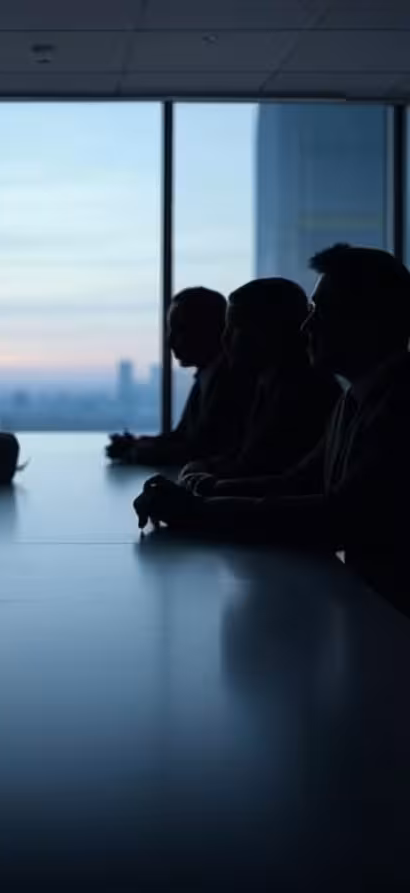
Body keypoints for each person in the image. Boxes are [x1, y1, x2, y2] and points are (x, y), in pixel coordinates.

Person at [133, 244, 410, 616]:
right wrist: (209, 495)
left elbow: (340, 517)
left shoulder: (399, 404)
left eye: (322, 312)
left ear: (372, 320)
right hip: (372, 614)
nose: (307, 326)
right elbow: (301, 480)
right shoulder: (355, 399)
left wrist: (201, 510)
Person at [179, 278, 340, 493]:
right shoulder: (270, 382)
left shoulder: (301, 391)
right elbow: (246, 455)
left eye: (235, 328)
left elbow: (267, 470)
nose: (224, 339)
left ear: (267, 332)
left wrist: (206, 484)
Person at [106, 287, 253, 467]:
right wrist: (138, 443)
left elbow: (204, 449)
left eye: (181, 329)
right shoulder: (208, 374)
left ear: (214, 329)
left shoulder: (230, 381)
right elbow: (185, 438)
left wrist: (137, 451)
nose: (170, 342)